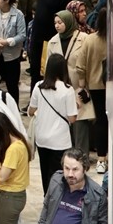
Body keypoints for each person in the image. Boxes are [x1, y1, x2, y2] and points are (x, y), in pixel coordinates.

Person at [35, 148, 108, 224]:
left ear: (85, 169)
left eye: (75, 169)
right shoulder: (56, 181)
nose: (70, 174)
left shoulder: (97, 194)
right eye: (67, 168)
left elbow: (103, 223)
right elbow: (47, 206)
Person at [27, 52, 77, 194]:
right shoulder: (68, 90)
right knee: (58, 176)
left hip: (42, 138)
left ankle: (47, 198)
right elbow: (72, 118)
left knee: (45, 173)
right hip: (60, 140)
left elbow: (31, 111)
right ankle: (56, 201)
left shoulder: (38, 86)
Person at [45, 9, 93, 154]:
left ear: (68, 22)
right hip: (61, 90)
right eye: (55, 23)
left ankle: (82, 158)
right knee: (63, 127)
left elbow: (90, 64)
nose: (57, 25)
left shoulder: (84, 39)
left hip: (80, 89)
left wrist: (85, 88)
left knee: (80, 126)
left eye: (60, 22)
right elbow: (48, 68)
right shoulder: (53, 42)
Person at [28, 0, 73, 88]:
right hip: (37, 39)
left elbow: (64, 19)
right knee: (35, 72)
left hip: (51, 41)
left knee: (49, 75)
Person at [76, 6, 108, 173]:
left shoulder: (90, 40)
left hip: (96, 86)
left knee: (100, 121)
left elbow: (80, 65)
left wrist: (82, 85)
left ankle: (101, 158)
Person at [0, 0, 26, 100]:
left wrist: (7, 41)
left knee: (12, 85)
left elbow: (22, 35)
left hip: (11, 56)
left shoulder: (18, 15)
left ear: (6, 0)